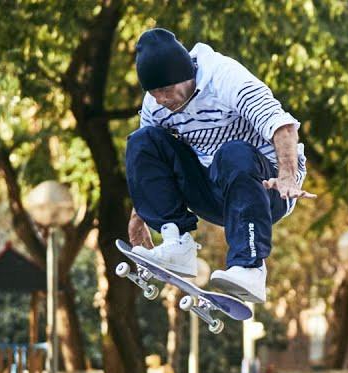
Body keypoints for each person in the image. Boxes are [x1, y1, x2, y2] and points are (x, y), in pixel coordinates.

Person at [124, 28, 314, 303]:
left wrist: (287, 177)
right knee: (142, 140)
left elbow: (282, 127)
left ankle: (250, 268)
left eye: (165, 91)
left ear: (184, 76)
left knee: (233, 152)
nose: (161, 100)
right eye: (154, 93)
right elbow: (149, 165)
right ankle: (177, 242)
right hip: (212, 192)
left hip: (266, 189)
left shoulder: (225, 77)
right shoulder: (156, 105)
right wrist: (138, 219)